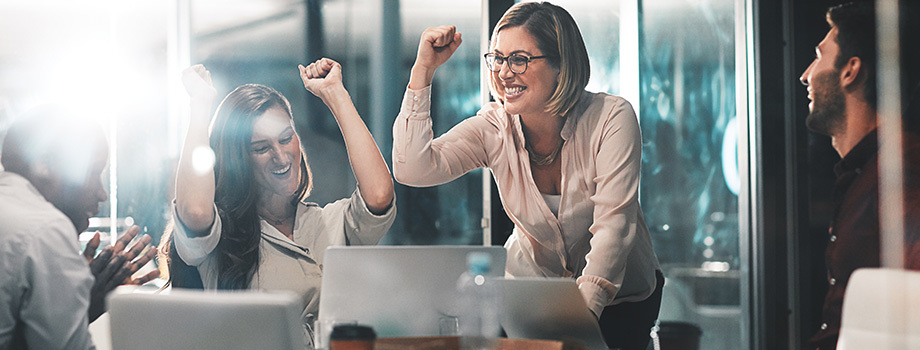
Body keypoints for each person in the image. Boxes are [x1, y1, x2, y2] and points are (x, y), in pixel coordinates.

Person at [392, 2, 662, 349]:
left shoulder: (611, 117)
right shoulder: (493, 128)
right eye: (498, 58)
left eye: (519, 59)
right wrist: (422, 71)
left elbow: (614, 228)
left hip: (621, 300)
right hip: (533, 298)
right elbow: (412, 168)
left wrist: (579, 318)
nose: (504, 73)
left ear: (561, 65)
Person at [162, 59, 395, 344]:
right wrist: (200, 107)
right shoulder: (220, 235)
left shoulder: (327, 222)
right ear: (238, 159)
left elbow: (380, 194)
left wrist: (336, 94)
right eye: (261, 148)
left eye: (286, 138)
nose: (281, 156)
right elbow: (196, 210)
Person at [799, 2, 920, 349]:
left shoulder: (902, 172)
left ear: (850, 71)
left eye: (819, 56)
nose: (806, 74)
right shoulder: (864, 172)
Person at [0, 108, 158, 349]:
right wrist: (80, 305)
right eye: (93, 172)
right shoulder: (47, 229)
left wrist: (69, 303)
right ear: (45, 165)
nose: (102, 193)